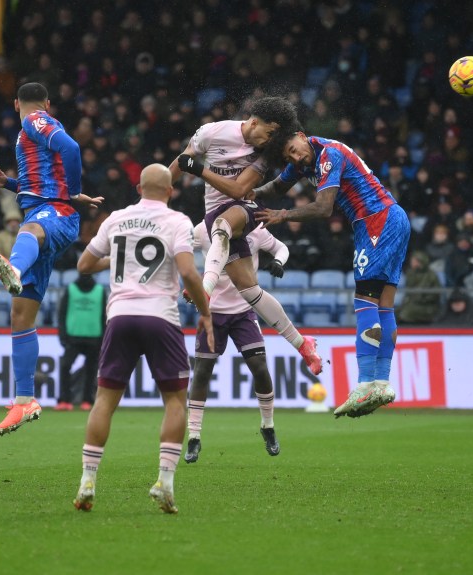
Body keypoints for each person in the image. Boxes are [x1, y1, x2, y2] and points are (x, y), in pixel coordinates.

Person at [72, 164, 213, 515]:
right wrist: (205, 312)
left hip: (120, 315)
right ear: (170, 191)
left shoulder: (117, 218)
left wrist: (118, 260)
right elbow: (187, 271)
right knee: (175, 402)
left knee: (104, 400)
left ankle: (87, 481)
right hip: (159, 317)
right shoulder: (177, 221)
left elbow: (84, 265)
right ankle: (164, 482)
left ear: (137, 187)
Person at [255, 126, 412, 418]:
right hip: (389, 217)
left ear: (301, 135)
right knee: (384, 305)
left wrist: (284, 215)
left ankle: (365, 384)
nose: (295, 157)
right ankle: (382, 382)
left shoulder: (329, 154)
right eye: (288, 155)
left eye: (294, 149)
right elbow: (277, 187)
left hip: (376, 220)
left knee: (364, 301)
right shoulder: (305, 161)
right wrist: (247, 194)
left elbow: (324, 207)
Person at [0, 82, 103, 436]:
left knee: (28, 229)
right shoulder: (32, 132)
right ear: (48, 100)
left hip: (57, 215)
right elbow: (39, 185)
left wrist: (75, 190)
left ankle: (14, 267)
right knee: (21, 314)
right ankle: (24, 401)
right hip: (45, 210)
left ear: (16, 102)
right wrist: (6, 183)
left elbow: (71, 147)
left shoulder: (35, 120)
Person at [170, 97, 322, 377]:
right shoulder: (211, 133)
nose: (270, 140)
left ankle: (205, 288)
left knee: (222, 225)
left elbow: (239, 190)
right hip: (214, 215)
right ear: (254, 122)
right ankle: (303, 345)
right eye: (270, 132)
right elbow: (182, 162)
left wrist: (200, 170)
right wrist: (160, 191)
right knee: (250, 292)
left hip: (245, 208)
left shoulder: (264, 154)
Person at [186, 222, 288, 463]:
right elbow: (179, 250)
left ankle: (268, 426)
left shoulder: (255, 230)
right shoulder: (203, 229)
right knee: (201, 372)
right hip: (212, 312)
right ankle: (194, 438)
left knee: (260, 368)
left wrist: (278, 262)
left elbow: (281, 248)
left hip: (244, 310)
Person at [55, 273, 107, 412]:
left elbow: (104, 315)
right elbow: (62, 313)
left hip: (94, 338)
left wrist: (104, 338)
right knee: (65, 366)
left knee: (91, 371)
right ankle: (65, 400)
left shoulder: (100, 291)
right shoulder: (71, 289)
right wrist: (63, 335)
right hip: (74, 337)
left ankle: (87, 400)